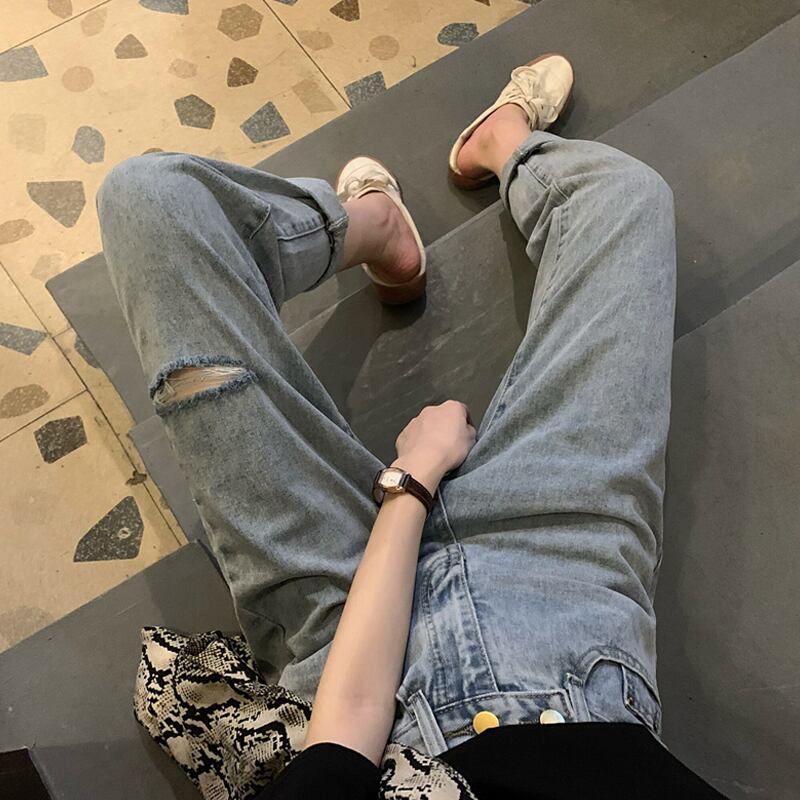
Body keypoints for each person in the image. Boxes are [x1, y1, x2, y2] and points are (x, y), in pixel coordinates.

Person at [98, 54, 724, 798]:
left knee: (149, 201)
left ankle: (369, 224)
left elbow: (347, 728)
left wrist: (413, 482)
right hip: (565, 585)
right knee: (625, 197)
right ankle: (494, 150)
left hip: (338, 629)